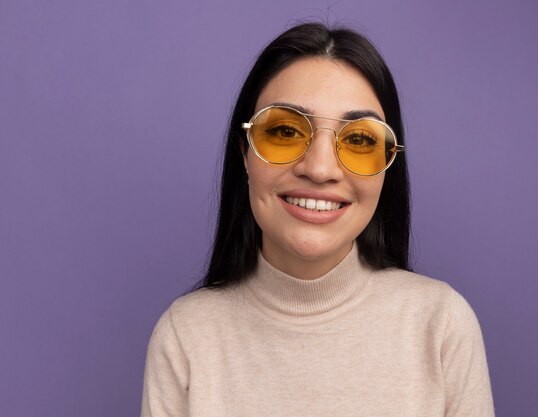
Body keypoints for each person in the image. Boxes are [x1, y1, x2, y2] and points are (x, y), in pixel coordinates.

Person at [141, 22, 494, 416]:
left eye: (359, 139)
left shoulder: (441, 326)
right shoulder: (185, 336)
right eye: (287, 130)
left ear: (387, 167)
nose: (321, 168)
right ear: (245, 153)